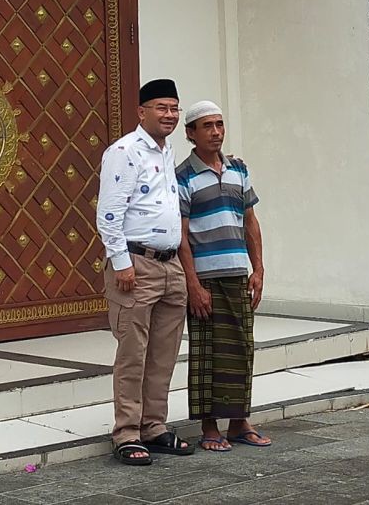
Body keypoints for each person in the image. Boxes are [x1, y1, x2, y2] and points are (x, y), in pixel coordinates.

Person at [96, 78, 193, 465]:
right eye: (161, 108)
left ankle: (154, 426)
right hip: (136, 265)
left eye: (174, 109)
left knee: (164, 353)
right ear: (142, 112)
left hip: (170, 265)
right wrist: (121, 262)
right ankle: (126, 432)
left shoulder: (166, 151)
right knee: (133, 353)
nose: (169, 115)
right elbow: (108, 215)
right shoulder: (125, 151)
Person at [176, 101, 267, 452]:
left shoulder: (239, 170)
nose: (216, 132)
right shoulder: (183, 176)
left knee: (242, 349)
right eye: (207, 126)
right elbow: (181, 235)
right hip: (205, 280)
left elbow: (250, 222)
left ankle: (241, 422)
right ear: (190, 134)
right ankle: (210, 427)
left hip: (237, 274)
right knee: (207, 353)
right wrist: (193, 284)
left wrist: (258, 268)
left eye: (219, 124)